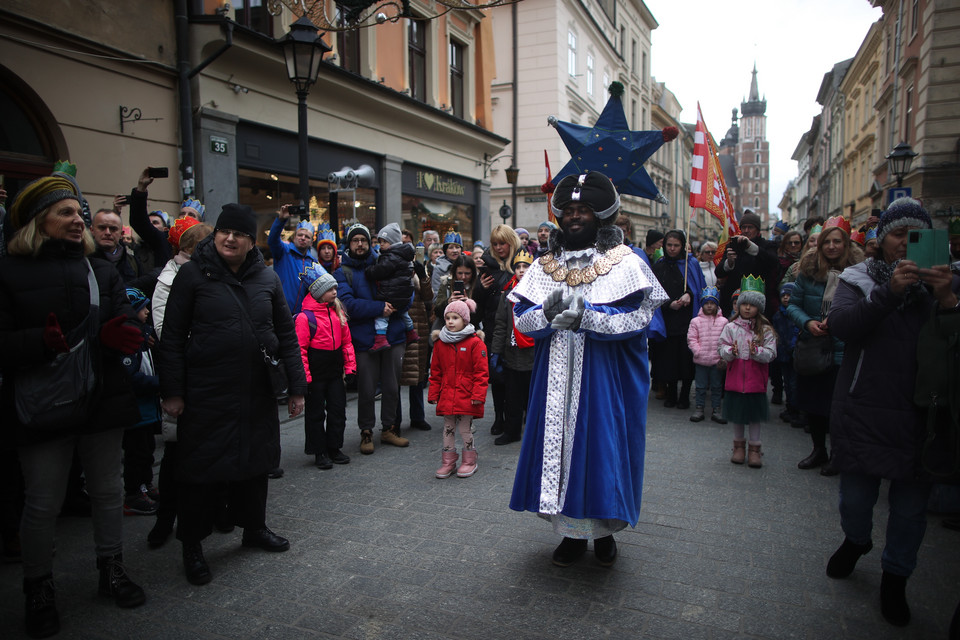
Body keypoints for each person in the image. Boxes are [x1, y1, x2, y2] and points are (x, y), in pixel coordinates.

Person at [1, 175, 147, 637]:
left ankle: (111, 568)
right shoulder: (8, 271)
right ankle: (38, 587)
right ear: (36, 219)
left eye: (78, 211)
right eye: (66, 211)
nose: (77, 219)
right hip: (41, 402)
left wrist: (118, 337)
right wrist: (36, 344)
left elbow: (124, 320)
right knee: (43, 502)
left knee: (107, 490)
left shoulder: (101, 269)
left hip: (100, 397)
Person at [508, 171, 668, 567]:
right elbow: (520, 318)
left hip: (603, 380)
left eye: (583, 210)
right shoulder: (544, 264)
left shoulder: (627, 260)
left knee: (602, 452)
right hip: (555, 380)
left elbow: (642, 317)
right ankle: (571, 537)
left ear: (600, 215)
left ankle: (605, 536)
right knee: (560, 452)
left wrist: (588, 318)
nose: (575, 216)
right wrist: (544, 314)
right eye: (569, 210)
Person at [825, 198, 960, 627]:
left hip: (925, 413)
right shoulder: (858, 278)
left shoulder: (951, 281)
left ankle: (896, 577)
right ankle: (857, 540)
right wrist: (889, 293)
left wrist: (947, 300)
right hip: (866, 406)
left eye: (916, 236)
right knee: (857, 499)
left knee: (909, 512)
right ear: (882, 241)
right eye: (899, 235)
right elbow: (842, 327)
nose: (906, 245)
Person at [158, 203, 307, 586]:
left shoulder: (267, 278)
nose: (230, 238)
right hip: (205, 392)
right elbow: (171, 337)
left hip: (256, 390)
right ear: (215, 234)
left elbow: (287, 335)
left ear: (250, 241)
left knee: (256, 464)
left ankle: (254, 528)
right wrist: (172, 391)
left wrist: (297, 388)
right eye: (225, 231)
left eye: (239, 234)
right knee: (199, 471)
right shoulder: (192, 276)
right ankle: (192, 545)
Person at [147, 220, 212, 549]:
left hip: (209, 379)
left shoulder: (212, 275)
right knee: (174, 455)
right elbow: (166, 331)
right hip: (183, 377)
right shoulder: (169, 279)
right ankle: (165, 519)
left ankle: (210, 514)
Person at [786, 218, 863, 474]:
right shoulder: (807, 271)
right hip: (814, 347)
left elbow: (868, 307)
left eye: (836, 241)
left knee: (839, 407)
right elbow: (793, 304)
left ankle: (839, 455)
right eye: (826, 242)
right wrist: (807, 323)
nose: (831, 246)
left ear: (846, 244)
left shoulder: (860, 272)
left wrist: (845, 320)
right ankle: (819, 450)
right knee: (814, 404)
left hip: (845, 348)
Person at [335, 223, 411, 454]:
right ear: (349, 244)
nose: (360, 244)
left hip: (394, 335)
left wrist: (397, 303)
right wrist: (379, 308)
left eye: (364, 240)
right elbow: (347, 305)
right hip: (364, 339)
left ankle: (389, 428)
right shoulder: (343, 272)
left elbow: (405, 294)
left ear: (371, 243)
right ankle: (366, 431)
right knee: (367, 390)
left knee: (391, 386)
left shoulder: (385, 262)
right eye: (355, 240)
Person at [296, 267, 356, 470]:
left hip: (334, 371)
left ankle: (334, 447)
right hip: (316, 373)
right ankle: (318, 450)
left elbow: (347, 343)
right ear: (318, 292)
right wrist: (305, 377)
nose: (335, 291)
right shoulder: (305, 318)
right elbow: (301, 350)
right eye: (330, 288)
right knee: (315, 414)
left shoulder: (337, 313)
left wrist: (350, 368)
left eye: (335, 288)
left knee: (338, 410)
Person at [717, 276, 777, 468]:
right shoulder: (730, 327)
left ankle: (754, 449)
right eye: (745, 304)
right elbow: (722, 348)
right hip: (735, 380)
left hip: (755, 381)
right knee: (737, 415)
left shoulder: (765, 330)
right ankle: (738, 447)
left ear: (759, 308)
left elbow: (771, 353)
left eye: (752, 305)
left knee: (754, 416)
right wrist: (730, 352)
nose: (748, 308)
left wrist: (757, 352)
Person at [429, 298, 489, 478]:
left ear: (465, 319)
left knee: (465, 428)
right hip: (447, 394)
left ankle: (470, 459)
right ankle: (448, 461)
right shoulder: (440, 343)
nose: (450, 321)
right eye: (448, 318)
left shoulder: (475, 343)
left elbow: (481, 372)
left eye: (455, 317)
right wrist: (434, 393)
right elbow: (436, 371)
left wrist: (478, 394)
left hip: (466, 395)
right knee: (448, 428)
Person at [473, 224, 521, 436]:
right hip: (494, 328)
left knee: (516, 377)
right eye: (495, 244)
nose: (499, 248)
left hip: (518, 329)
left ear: (511, 243)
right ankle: (499, 417)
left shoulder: (522, 264)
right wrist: (480, 290)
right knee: (498, 377)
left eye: (503, 243)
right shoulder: (487, 268)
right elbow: (477, 306)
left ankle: (515, 417)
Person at [651, 229, 705, 410]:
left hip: (687, 319)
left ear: (683, 246)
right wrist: (668, 304)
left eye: (676, 245)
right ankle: (671, 392)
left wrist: (689, 294)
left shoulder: (692, 264)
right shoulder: (659, 266)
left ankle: (685, 395)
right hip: (667, 319)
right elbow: (652, 294)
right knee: (669, 359)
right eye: (669, 245)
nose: (672, 249)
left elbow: (699, 288)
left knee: (686, 358)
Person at [120, 288, 161, 517]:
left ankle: (146, 485)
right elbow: (132, 377)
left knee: (147, 450)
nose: (147, 311)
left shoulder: (144, 335)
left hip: (147, 410)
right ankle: (134, 493)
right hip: (136, 410)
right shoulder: (130, 339)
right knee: (136, 453)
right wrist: (159, 383)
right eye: (143, 308)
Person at [490, 248, 536, 445]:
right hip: (512, 351)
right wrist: (496, 351)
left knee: (534, 397)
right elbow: (501, 324)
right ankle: (512, 431)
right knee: (512, 397)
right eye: (518, 267)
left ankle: (536, 433)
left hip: (533, 352)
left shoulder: (539, 292)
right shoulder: (508, 295)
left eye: (526, 266)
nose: (522, 270)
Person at [365, 222, 418, 351]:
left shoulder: (391, 257)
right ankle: (411, 332)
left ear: (393, 242)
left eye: (384, 241)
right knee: (404, 314)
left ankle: (381, 338)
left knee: (382, 316)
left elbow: (380, 270)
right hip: (403, 294)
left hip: (391, 294)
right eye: (380, 241)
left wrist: (369, 270)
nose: (381, 244)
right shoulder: (404, 255)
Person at [715, 211, 778, 317]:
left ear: (757, 229)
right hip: (735, 302)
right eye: (743, 227)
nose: (746, 231)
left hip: (758, 302)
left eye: (750, 227)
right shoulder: (733, 245)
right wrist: (729, 262)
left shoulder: (767, 245)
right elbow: (719, 272)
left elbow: (773, 262)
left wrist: (750, 247)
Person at [686, 286, 728, 424]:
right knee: (700, 386)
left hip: (717, 360)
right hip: (701, 360)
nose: (709, 306)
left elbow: (727, 339)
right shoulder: (695, 321)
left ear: (717, 305)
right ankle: (699, 408)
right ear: (702, 304)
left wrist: (722, 355)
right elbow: (692, 338)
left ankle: (716, 409)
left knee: (717, 386)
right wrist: (697, 351)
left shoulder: (724, 322)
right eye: (706, 303)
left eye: (712, 303)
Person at [268, 205, 318, 314]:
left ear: (311, 242)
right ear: (294, 237)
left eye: (307, 236)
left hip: (301, 316)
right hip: (280, 313)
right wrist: (281, 220)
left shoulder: (313, 262)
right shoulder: (284, 251)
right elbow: (272, 240)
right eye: (300, 235)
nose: (303, 238)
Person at [771, 282, 800, 426]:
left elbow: (797, 332)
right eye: (784, 295)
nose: (786, 298)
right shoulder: (777, 315)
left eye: (789, 295)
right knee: (787, 382)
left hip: (793, 353)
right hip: (782, 353)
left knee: (794, 383)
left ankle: (796, 410)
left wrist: (793, 346)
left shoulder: (796, 315)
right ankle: (789, 407)